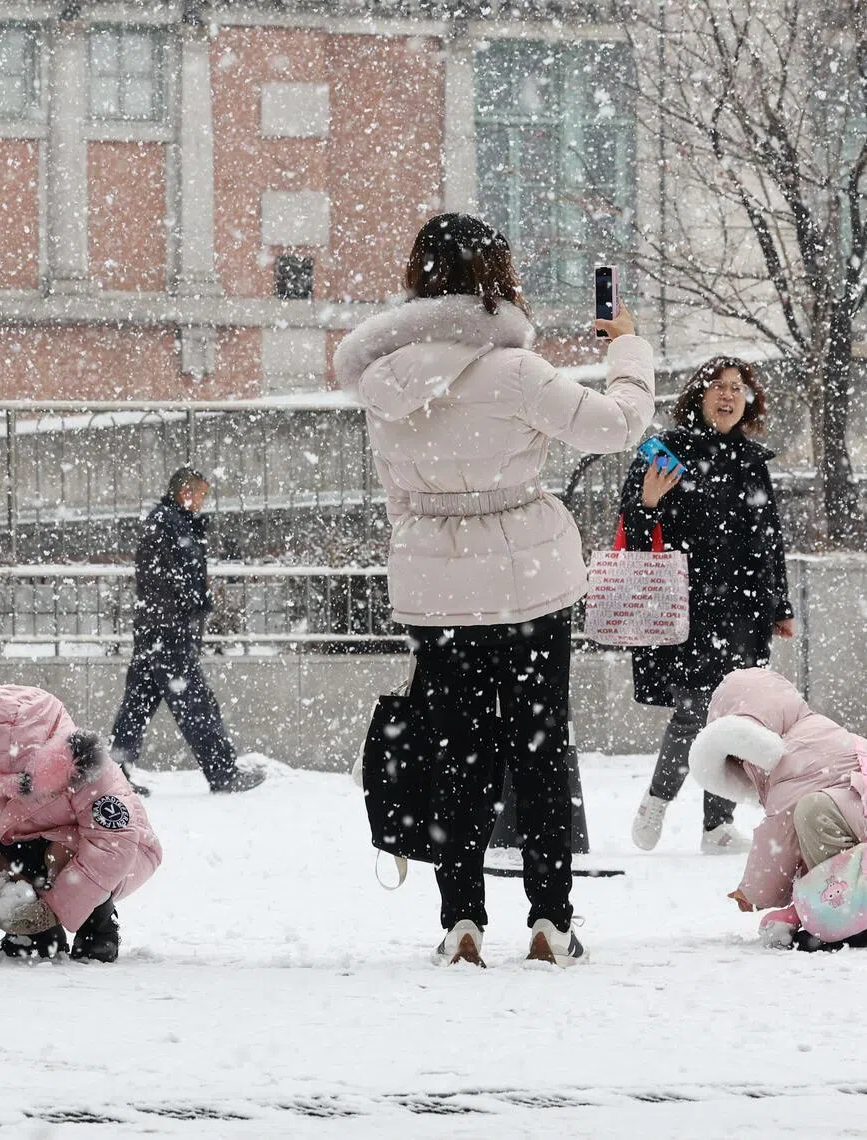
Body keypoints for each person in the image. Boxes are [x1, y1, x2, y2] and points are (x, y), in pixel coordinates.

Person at [333, 212, 655, 967]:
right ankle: (551, 921)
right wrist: (627, 351)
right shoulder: (514, 371)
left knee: (459, 752)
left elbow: (398, 496)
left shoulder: (385, 382)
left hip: (435, 591)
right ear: (496, 276)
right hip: (530, 583)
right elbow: (618, 426)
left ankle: (462, 922)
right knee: (540, 748)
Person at [625, 357, 794, 855]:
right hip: (686, 605)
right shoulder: (666, 453)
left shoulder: (752, 460)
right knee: (693, 711)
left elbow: (770, 540)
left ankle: (717, 827)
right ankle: (657, 801)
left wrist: (780, 605)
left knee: (735, 718)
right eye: (718, 386)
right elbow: (632, 534)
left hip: (743, 609)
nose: (728, 395)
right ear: (698, 396)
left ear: (748, 401)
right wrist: (647, 503)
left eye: (737, 388)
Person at [0, 685, 162, 961]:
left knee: (61, 850)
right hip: (27, 850)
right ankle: (33, 936)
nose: (2, 788)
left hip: (124, 852)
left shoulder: (85, 768)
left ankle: (98, 927)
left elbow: (114, 841)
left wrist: (56, 908)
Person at [109, 467, 264, 794]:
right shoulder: (171, 524)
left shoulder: (168, 522)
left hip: (154, 628)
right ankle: (223, 773)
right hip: (169, 630)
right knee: (195, 703)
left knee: (138, 703)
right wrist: (197, 604)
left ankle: (112, 776)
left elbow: (165, 577)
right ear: (184, 492)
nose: (203, 501)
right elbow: (178, 578)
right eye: (201, 494)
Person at [689, 667, 867, 950]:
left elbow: (778, 837)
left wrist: (753, 891)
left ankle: (847, 913)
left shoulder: (791, 758)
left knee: (814, 812)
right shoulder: (816, 729)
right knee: (817, 819)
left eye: (738, 757)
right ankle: (833, 906)